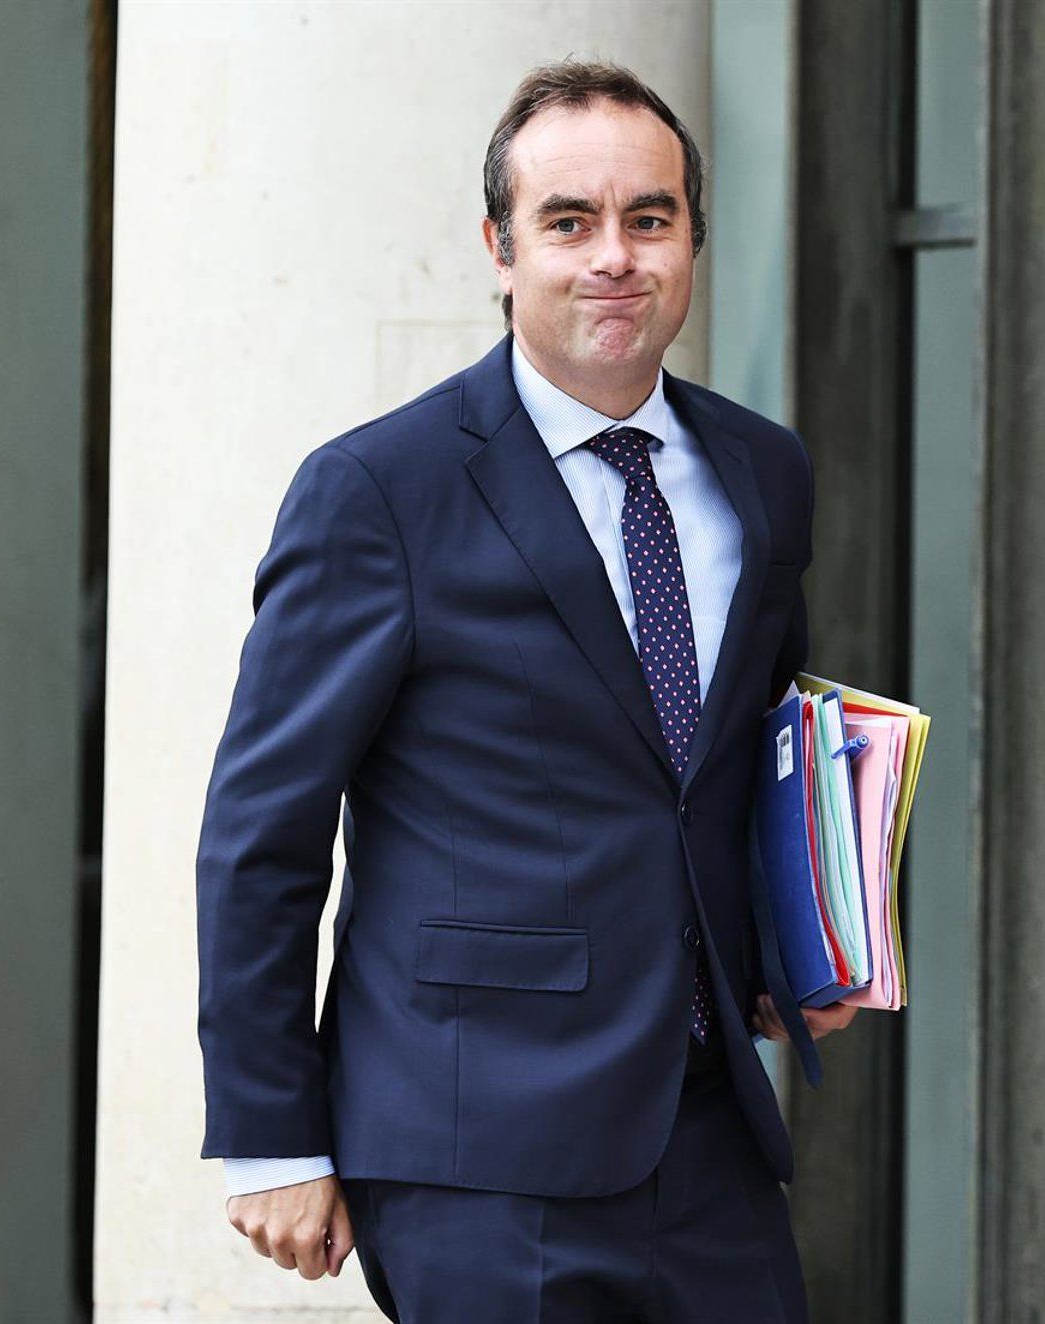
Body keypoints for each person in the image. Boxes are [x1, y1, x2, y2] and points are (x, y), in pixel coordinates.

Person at [195, 59, 858, 1322]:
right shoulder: (378, 492)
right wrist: (272, 1134)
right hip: (477, 1155)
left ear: (693, 242)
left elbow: (742, 755)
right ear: (500, 249)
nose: (614, 256)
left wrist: (800, 944)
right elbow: (260, 832)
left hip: (712, 1140)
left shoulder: (763, 474)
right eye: (569, 221)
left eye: (649, 218)